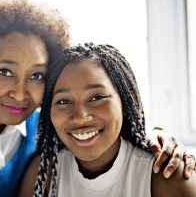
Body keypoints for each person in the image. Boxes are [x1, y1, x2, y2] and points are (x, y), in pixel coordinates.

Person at [0, 0, 194, 196]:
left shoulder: (46, 129)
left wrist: (158, 136)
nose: (21, 92)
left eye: (37, 75)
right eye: (4, 71)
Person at [19, 43, 196, 197]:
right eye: (64, 101)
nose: (81, 116)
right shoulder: (43, 175)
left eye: (96, 97)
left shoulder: (165, 176)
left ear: (124, 103)